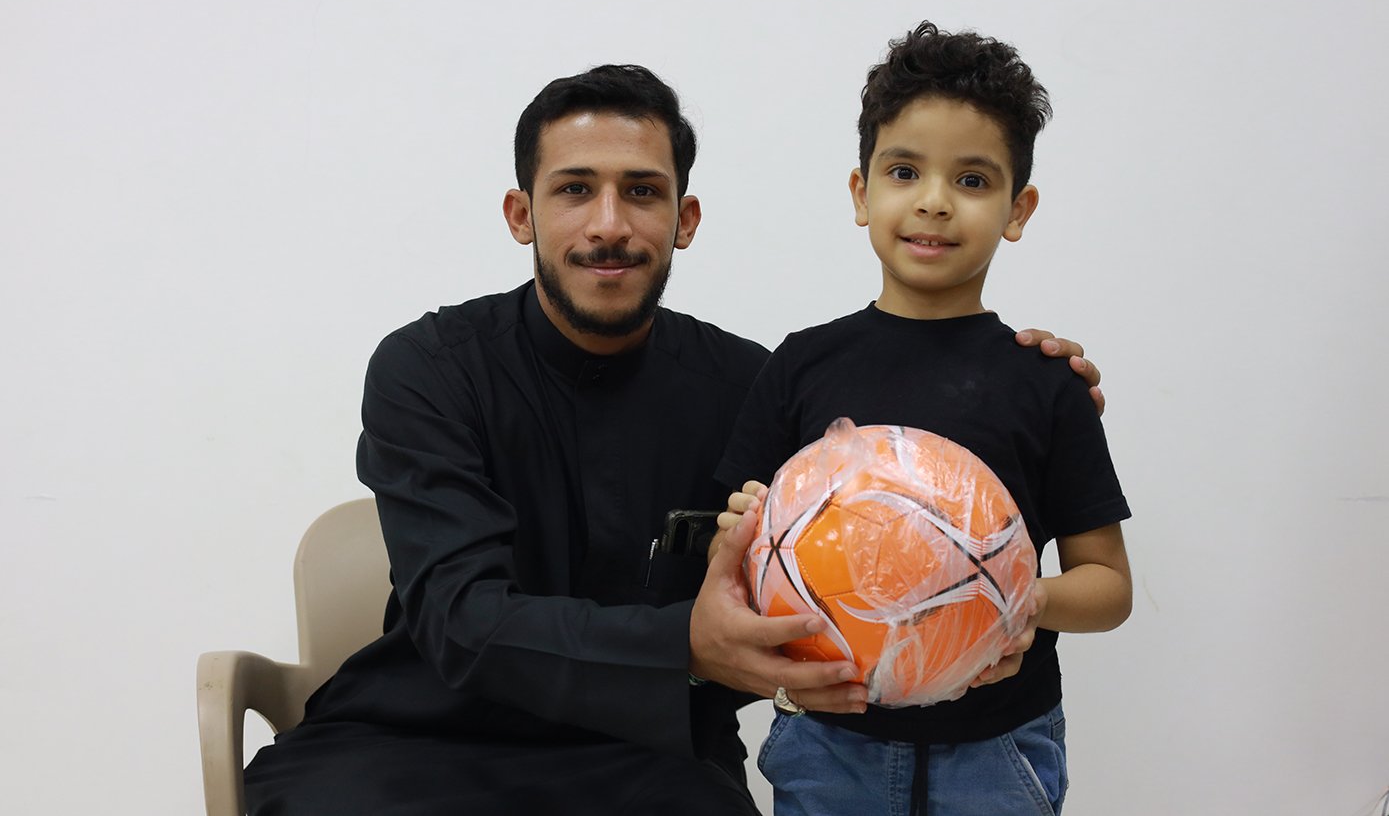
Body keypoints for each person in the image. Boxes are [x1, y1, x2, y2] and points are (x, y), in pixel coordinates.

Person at [242, 63, 1103, 814]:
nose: (608, 224)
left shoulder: (752, 383)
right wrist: (685, 645)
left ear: (684, 219)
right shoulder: (426, 369)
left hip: (651, 754)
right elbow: (458, 618)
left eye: (642, 192)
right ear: (520, 212)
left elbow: (886, 504)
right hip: (411, 743)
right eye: (573, 189)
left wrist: (1024, 382)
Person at [714, 21, 1133, 816]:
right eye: (904, 171)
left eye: (971, 179)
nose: (934, 201)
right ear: (861, 192)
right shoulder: (801, 364)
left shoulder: (1045, 380)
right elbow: (731, 550)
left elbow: (1108, 586)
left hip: (998, 746)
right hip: (829, 740)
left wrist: (1019, 598)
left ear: (1017, 209)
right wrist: (740, 536)